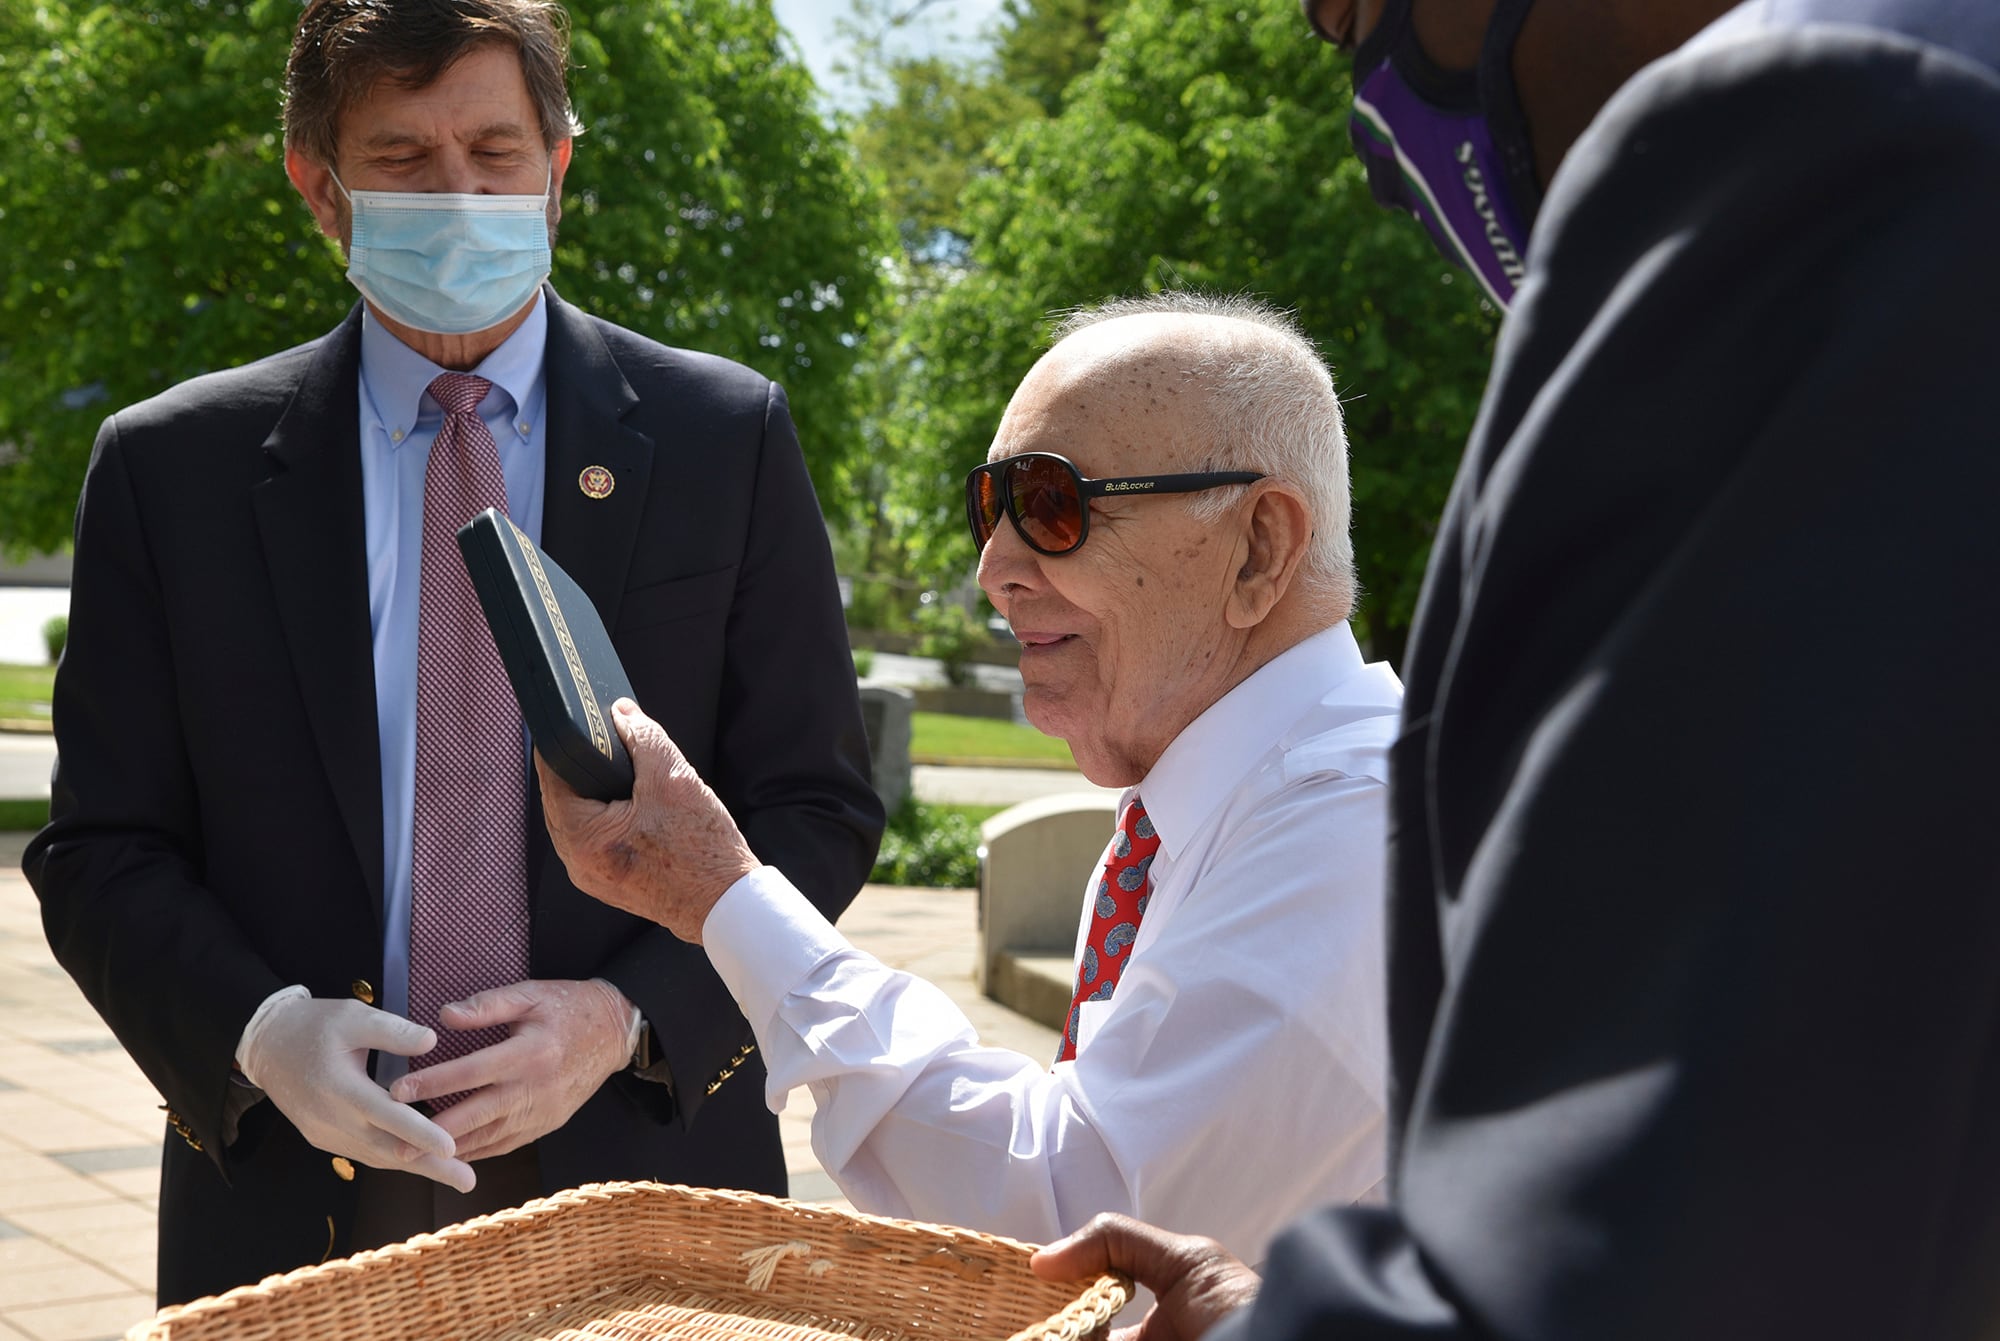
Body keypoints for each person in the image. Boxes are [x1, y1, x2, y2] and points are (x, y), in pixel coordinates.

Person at [1036, 2, 2000, 1338]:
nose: (1375, 128)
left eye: (1348, 14)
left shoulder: (1814, 144)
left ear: (1265, 546)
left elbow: (1661, 1248)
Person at [23, 0, 882, 1306]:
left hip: (643, 1172)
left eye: (493, 151)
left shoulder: (727, 438)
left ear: (559, 170)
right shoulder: (167, 471)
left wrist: (628, 1020)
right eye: (406, 161)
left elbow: (813, 809)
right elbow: (100, 846)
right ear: (321, 189)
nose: (460, 192)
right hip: (295, 1192)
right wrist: (260, 1035)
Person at [535, 292, 1403, 1275]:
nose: (994, 570)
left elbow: (1079, 1235)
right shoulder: (1220, 809)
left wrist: (725, 898)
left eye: (1049, 504)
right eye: (987, 507)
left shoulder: (1360, 828)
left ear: (1260, 547)